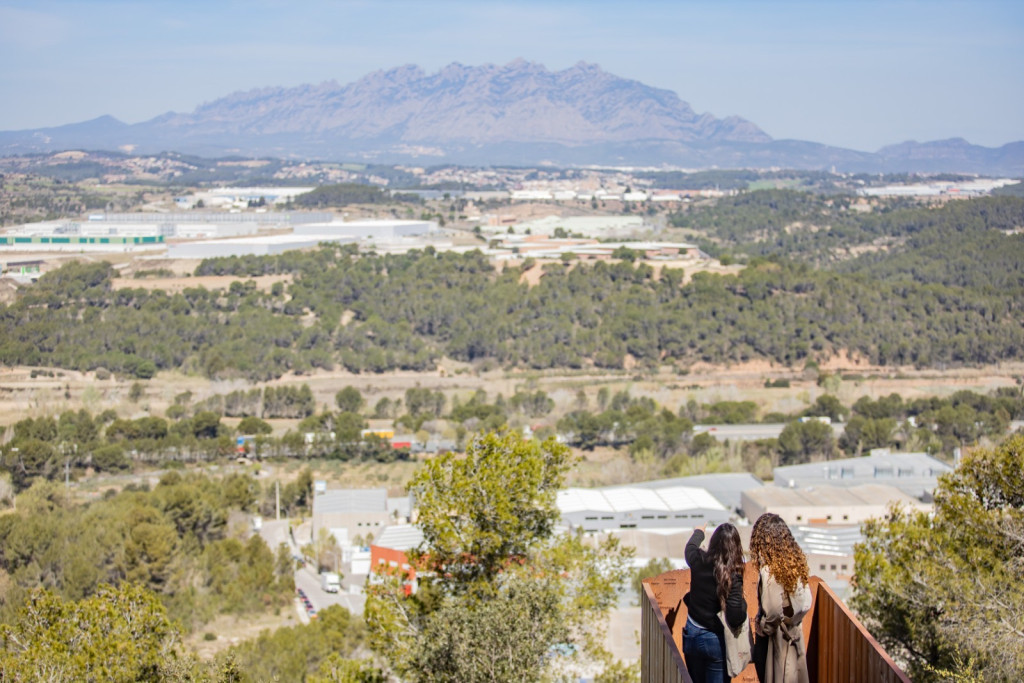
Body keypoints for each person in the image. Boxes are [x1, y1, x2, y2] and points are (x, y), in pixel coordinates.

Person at [749, 513, 812, 683]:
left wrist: (763, 628)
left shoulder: (769, 571)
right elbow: (807, 602)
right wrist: (792, 621)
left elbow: (774, 611)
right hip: (794, 638)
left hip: (774, 643)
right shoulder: (795, 564)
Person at [682, 522, 747, 683]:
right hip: (714, 642)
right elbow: (735, 617)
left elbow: (689, 548)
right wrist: (743, 603)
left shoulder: (699, 559)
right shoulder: (733, 575)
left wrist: (698, 532)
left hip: (692, 634)